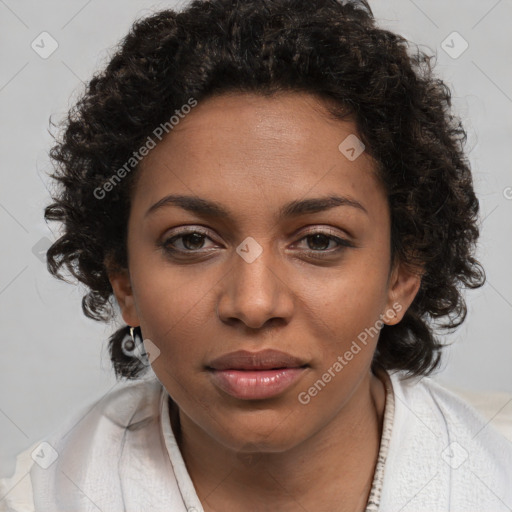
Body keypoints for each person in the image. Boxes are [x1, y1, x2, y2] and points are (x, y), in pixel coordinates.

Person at [1, 0, 511, 510]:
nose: (254, 303)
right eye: (191, 240)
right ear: (124, 279)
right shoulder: (38, 496)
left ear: (401, 276)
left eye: (319, 241)